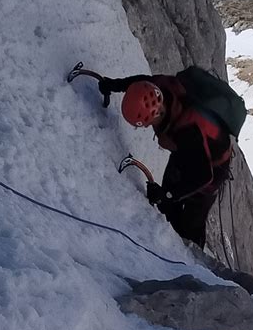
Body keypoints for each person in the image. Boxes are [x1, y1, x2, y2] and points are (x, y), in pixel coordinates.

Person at [98, 72, 233, 248]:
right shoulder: (160, 87)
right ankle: (168, 234)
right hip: (188, 152)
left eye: (145, 124)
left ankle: (193, 256)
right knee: (169, 198)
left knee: (192, 219)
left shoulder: (186, 131)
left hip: (212, 169)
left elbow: (204, 176)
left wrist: (168, 195)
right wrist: (114, 84)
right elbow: (139, 85)